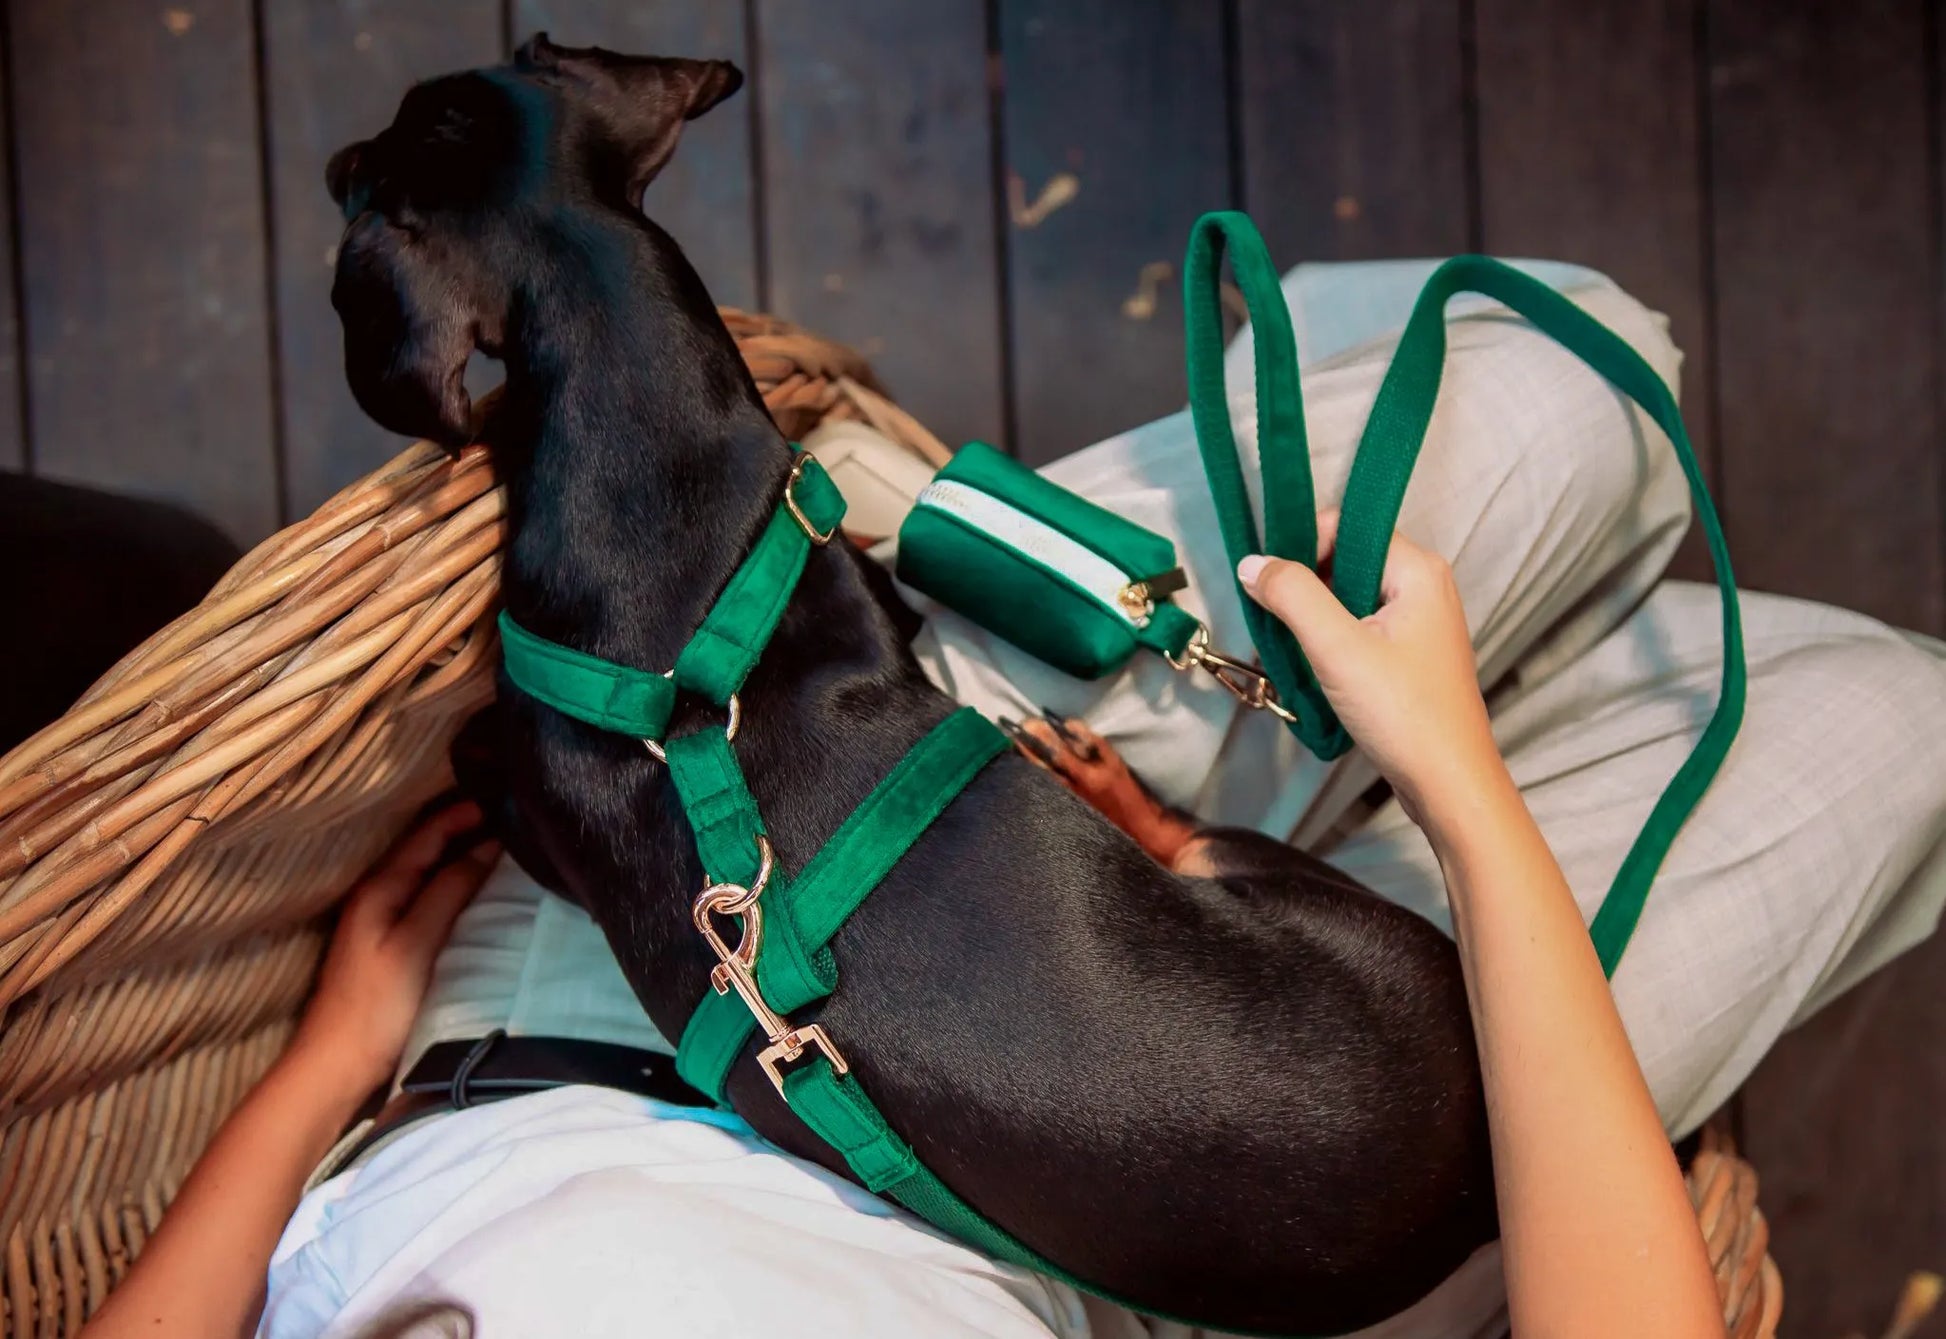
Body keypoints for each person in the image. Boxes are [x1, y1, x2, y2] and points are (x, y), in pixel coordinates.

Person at [78, 516, 1728, 1339]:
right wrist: (1455, 786)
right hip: (1088, 1194)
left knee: (1543, 422)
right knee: (1874, 724)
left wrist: (328, 1070)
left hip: (581, 1025)